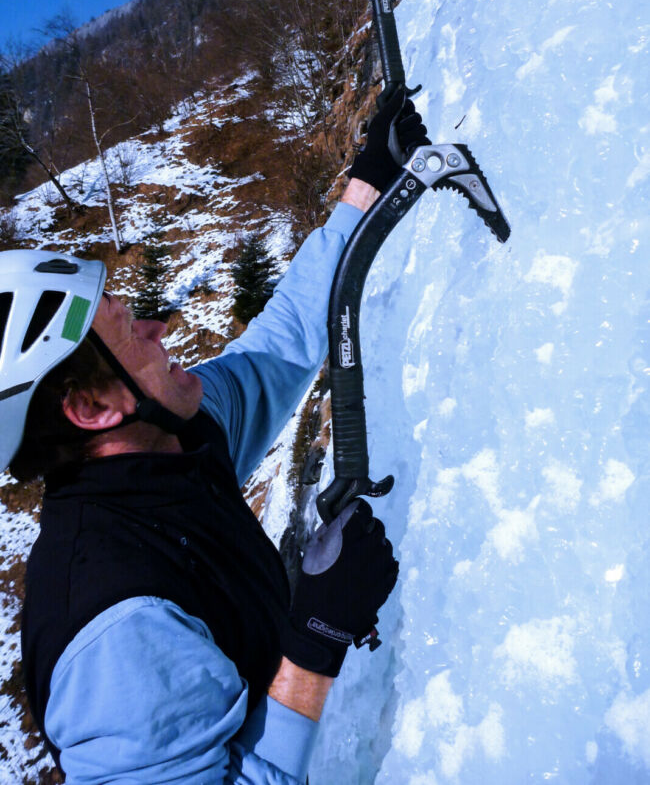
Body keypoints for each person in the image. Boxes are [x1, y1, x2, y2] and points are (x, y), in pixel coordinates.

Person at [0, 89, 428, 784]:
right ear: (91, 410)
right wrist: (316, 641)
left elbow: (282, 340)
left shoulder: (178, 437)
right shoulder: (113, 631)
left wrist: (367, 181)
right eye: (128, 331)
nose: (158, 328)